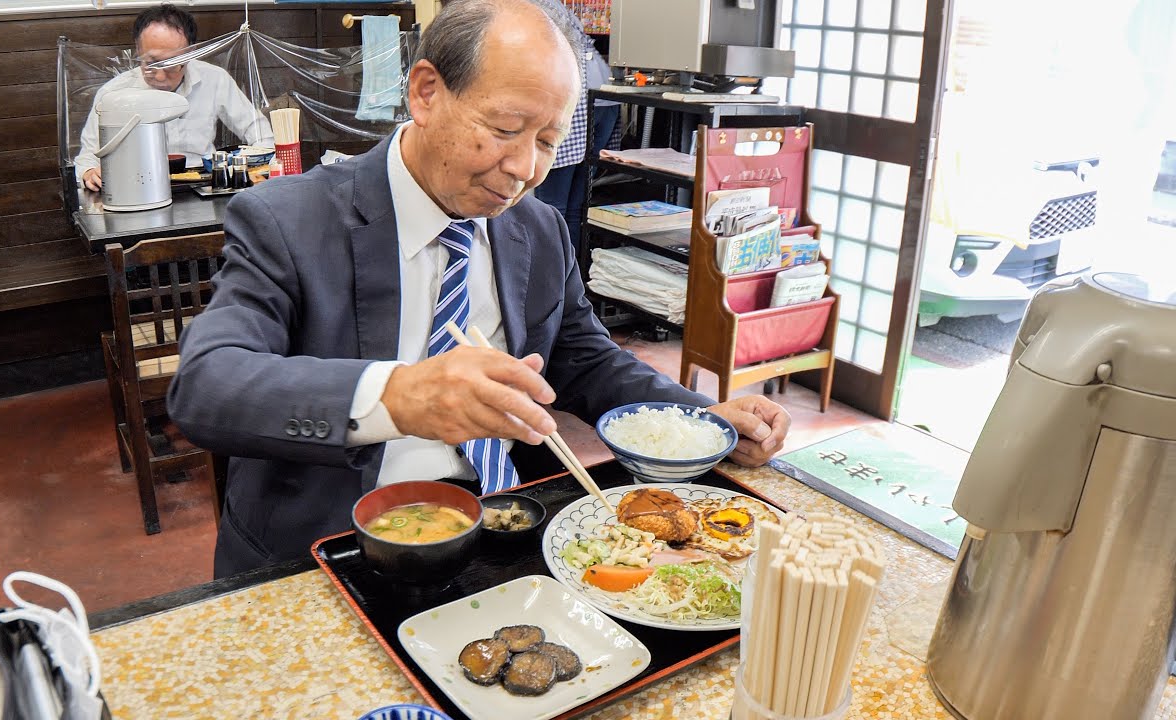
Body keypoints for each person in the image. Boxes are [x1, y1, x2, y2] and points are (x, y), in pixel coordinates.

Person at [167, 0, 791, 579]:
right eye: (504, 128)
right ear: (426, 92)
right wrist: (400, 395)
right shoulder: (290, 219)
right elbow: (206, 386)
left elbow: (584, 357)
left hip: (506, 523)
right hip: (331, 547)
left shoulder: (536, 228)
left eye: (546, 142)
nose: (524, 170)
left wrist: (694, 419)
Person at [73, 4, 274, 191]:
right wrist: (89, 173)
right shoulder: (114, 94)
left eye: (173, 63)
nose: (160, 76)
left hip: (205, 183)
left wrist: (255, 166)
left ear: (191, 53)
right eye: (151, 63)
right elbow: (87, 157)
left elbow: (258, 131)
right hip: (139, 186)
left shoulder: (214, 79)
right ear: (137, 50)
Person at [534, 21, 619, 252]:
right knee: (574, 206)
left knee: (551, 206)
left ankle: (549, 275)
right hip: (605, 98)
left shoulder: (537, 12)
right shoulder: (565, 13)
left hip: (575, 104)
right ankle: (568, 274)